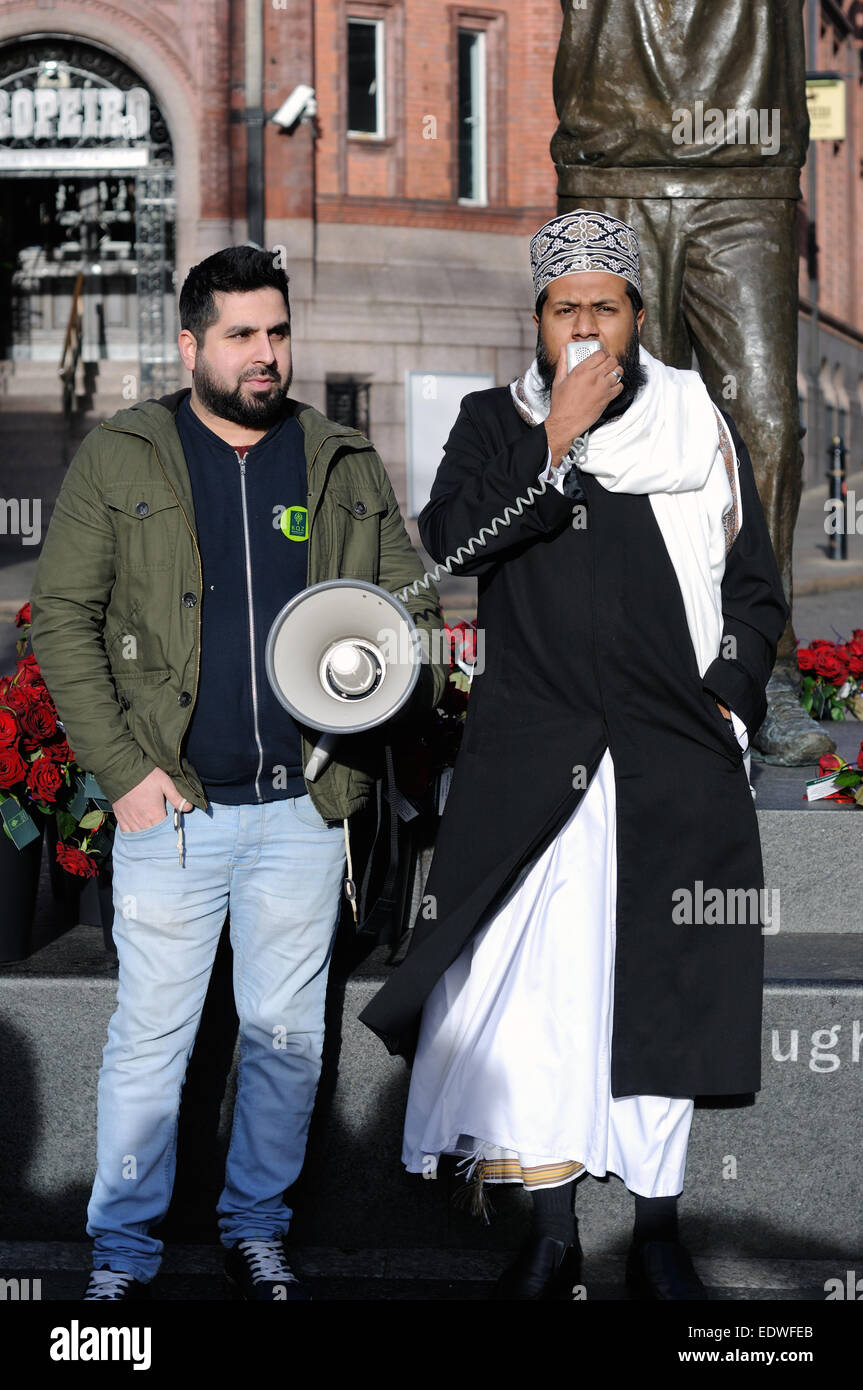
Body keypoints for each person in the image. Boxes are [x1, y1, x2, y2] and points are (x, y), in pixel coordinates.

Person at [360, 210, 789, 1301]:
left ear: (640, 317)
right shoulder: (493, 425)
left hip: (671, 758)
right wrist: (554, 440)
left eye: (606, 306)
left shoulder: (698, 421)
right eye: (566, 310)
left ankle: (654, 1233)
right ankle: (547, 1232)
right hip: (532, 761)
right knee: (538, 1000)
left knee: (665, 988)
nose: (586, 327)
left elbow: (752, 586)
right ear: (537, 322)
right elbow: (450, 544)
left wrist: (730, 705)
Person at [30, 245, 446, 1301]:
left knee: (284, 1044)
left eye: (279, 332)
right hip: (171, 806)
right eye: (242, 336)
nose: (268, 356)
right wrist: (121, 770)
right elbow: (64, 620)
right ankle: (122, 1252)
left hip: (303, 808)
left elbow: (412, 603)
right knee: (149, 1043)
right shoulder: (121, 455)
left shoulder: (339, 455)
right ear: (190, 344)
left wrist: (388, 661)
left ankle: (256, 1229)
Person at [550, 0, 827, 766]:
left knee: (765, 425)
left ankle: (762, 664)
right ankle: (622, 666)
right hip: (607, 165)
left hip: (746, 172)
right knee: (611, 423)